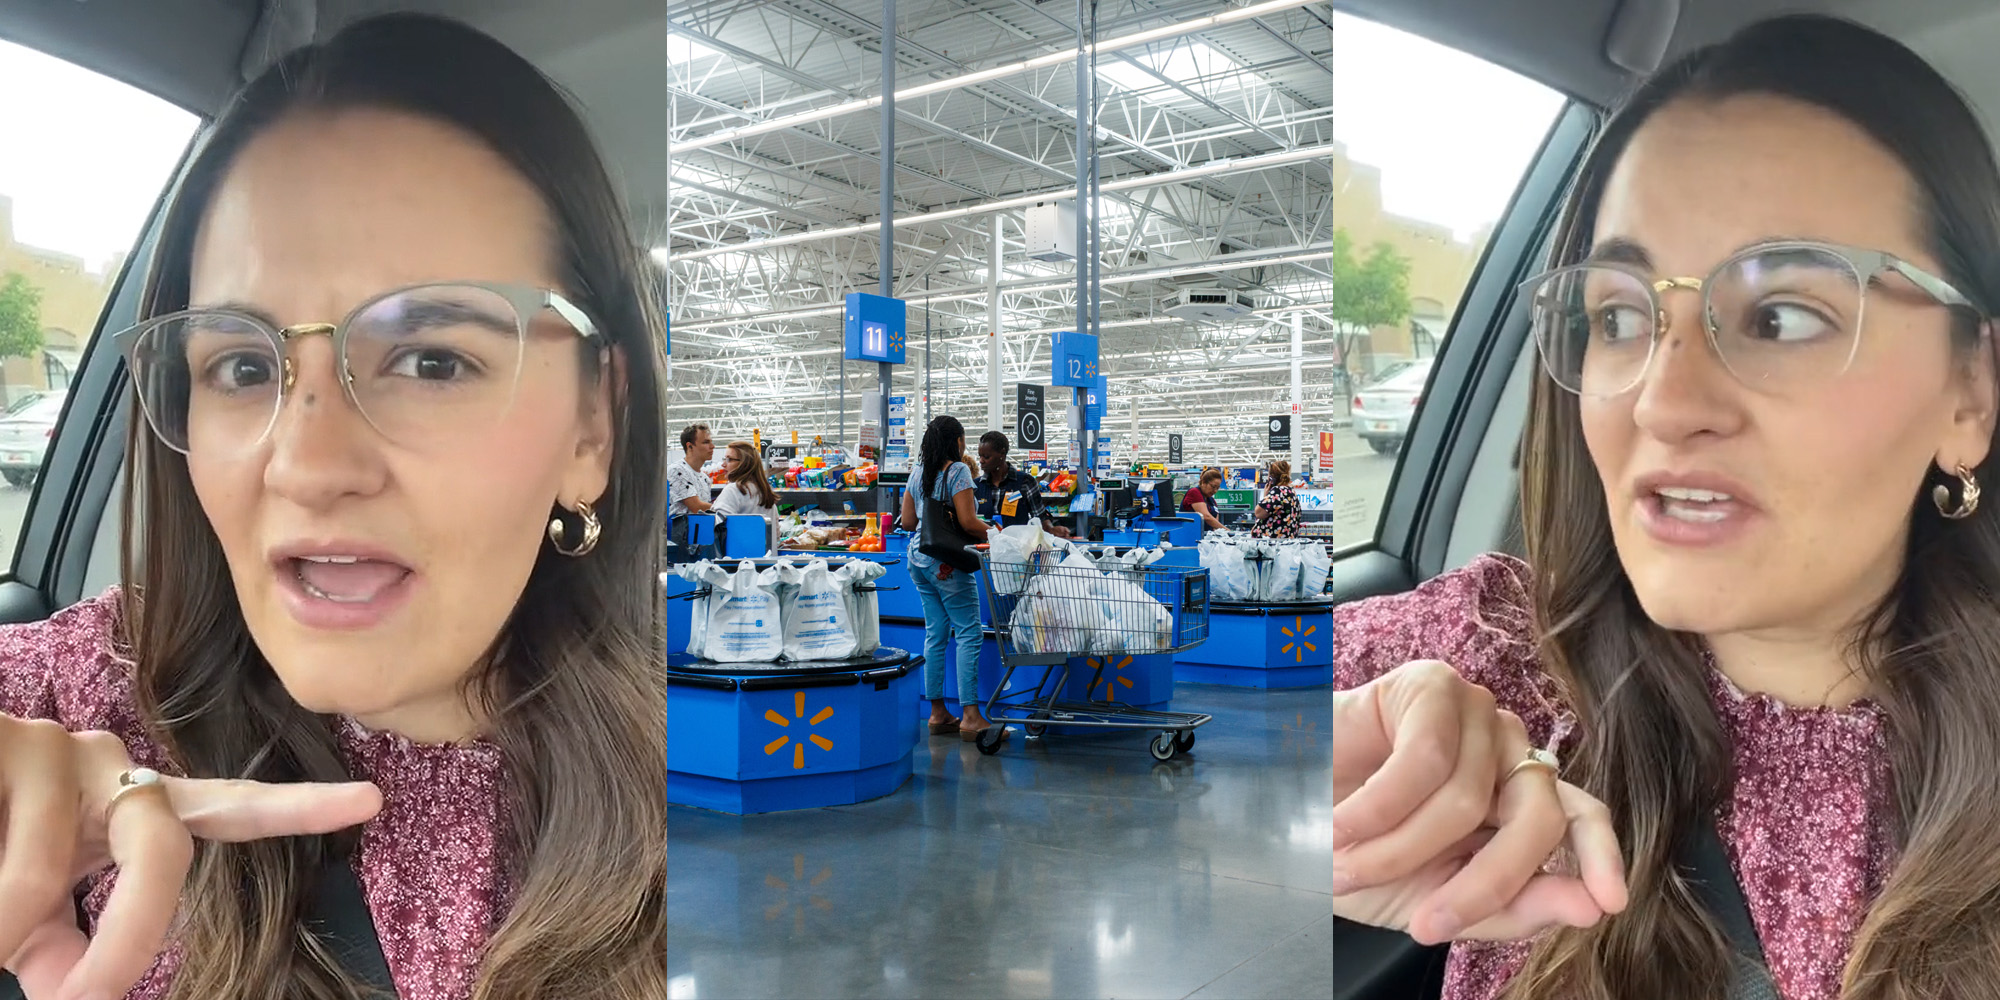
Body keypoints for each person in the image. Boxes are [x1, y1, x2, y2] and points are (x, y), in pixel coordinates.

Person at [0, 14, 669, 1000]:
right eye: (239, 364)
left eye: (431, 359)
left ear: (592, 429)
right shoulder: (85, 696)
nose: (306, 465)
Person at [1330, 15, 2000, 1000]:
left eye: (1782, 317)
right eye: (1616, 315)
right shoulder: (1492, 662)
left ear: (1969, 394)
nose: (1661, 399)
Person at [898, 416, 995, 740]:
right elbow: (968, 522)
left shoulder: (917, 472)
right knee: (969, 632)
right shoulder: (958, 471)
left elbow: (909, 522)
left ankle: (938, 712)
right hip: (947, 562)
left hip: (918, 559)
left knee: (936, 633)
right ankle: (970, 716)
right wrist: (996, 530)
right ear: (957, 441)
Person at [973, 431, 1071, 537]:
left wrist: (1052, 529)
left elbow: (1040, 517)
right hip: (984, 549)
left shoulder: (1025, 482)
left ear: (1002, 454)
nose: (981, 461)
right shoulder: (976, 487)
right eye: (980, 456)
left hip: (1017, 548)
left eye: (986, 457)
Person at [713, 440, 779, 549]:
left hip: (739, 561)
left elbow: (719, 530)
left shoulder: (733, 490)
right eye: (724, 459)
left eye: (729, 459)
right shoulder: (764, 493)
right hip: (767, 561)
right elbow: (776, 536)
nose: (723, 464)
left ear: (744, 463)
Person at [670, 422, 715, 517]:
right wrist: (727, 509)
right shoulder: (677, 471)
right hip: (682, 531)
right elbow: (696, 507)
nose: (712, 446)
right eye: (706, 442)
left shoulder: (705, 478)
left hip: (699, 530)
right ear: (689, 446)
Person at [1250, 460, 1300, 539]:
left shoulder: (1277, 491)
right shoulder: (1291, 491)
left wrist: (1265, 496)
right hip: (1286, 542)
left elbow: (1258, 513)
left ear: (1271, 477)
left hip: (1273, 544)